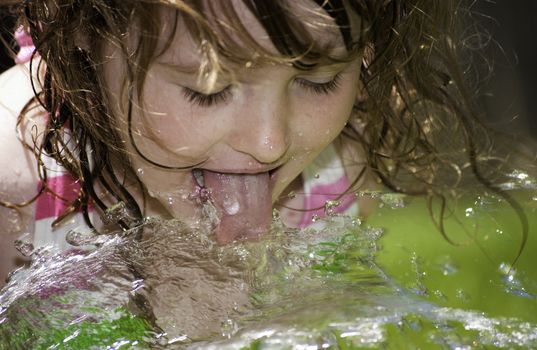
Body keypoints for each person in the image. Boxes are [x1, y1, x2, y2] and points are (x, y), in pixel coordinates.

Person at [0, 0, 532, 284]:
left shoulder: (335, 172)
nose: (270, 141)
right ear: (84, 36)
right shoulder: (17, 186)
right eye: (208, 90)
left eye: (318, 80)